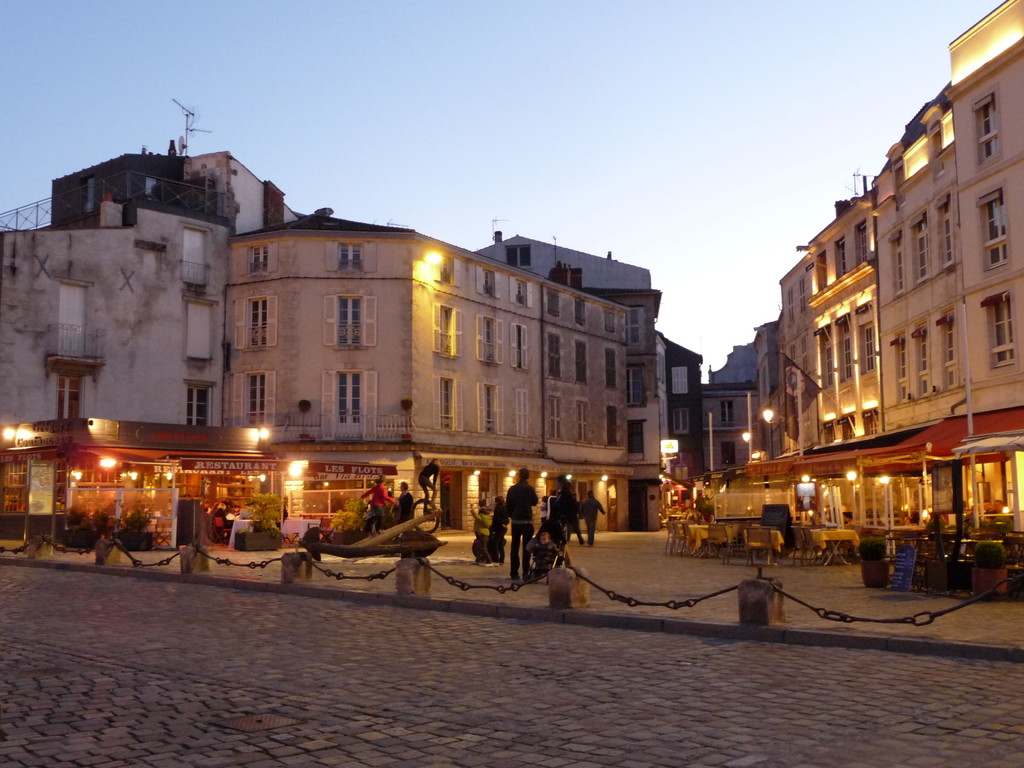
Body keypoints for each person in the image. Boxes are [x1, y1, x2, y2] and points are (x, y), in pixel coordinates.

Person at [505, 468, 538, 580]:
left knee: (514, 546)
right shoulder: (529, 488)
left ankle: (514, 572)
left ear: (519, 476)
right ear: (528, 477)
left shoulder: (512, 489)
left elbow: (508, 505)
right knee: (526, 547)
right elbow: (534, 502)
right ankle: (525, 572)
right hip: (527, 521)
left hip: (515, 521)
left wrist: (512, 515)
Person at [549, 475, 583, 547]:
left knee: (562, 546)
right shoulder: (561, 494)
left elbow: (570, 510)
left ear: (560, 483)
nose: (555, 484)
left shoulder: (566, 495)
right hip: (561, 523)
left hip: (563, 523)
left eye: (556, 482)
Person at [488, 495, 508, 565]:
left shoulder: (498, 508)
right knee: (500, 543)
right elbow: (506, 518)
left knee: (495, 543)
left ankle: (496, 559)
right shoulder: (504, 507)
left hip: (499, 528)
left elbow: (497, 518)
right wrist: (504, 523)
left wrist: (500, 523)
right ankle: (501, 559)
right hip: (501, 528)